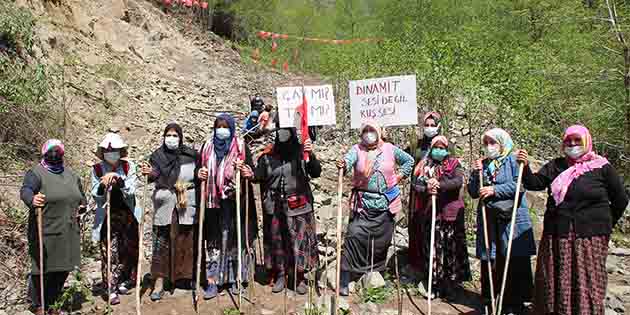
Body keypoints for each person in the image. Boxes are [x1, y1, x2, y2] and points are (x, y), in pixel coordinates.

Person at [516, 125, 629, 315]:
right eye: (568, 140)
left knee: (587, 280)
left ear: (587, 141)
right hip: (557, 234)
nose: (572, 144)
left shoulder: (602, 167)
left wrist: (605, 224)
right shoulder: (556, 166)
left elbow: (620, 199)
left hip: (590, 236)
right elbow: (534, 183)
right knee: (555, 277)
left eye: (577, 140)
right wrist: (525, 167)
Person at [335, 120, 414, 296]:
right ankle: (345, 276)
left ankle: (374, 274)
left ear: (378, 132)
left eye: (372, 130)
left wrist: (399, 176)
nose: (369, 133)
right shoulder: (357, 149)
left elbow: (409, 161)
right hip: (363, 203)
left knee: (380, 241)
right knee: (354, 235)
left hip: (386, 203)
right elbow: (349, 160)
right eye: (366, 130)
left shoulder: (390, 149)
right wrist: (344, 165)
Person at [467, 128, 536, 315]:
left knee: (512, 258)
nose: (489, 147)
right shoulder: (483, 164)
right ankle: (491, 298)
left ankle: (515, 303)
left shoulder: (514, 160)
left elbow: (520, 185)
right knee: (491, 256)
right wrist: (475, 174)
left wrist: (494, 190)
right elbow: (473, 192)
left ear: (502, 143)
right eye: (486, 143)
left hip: (511, 218)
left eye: (493, 143)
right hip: (489, 219)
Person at [253, 117, 320, 295]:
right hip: (274, 207)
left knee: (298, 242)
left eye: (287, 130)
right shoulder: (267, 156)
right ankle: (281, 274)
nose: (283, 134)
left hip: (299, 206)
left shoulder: (301, 154)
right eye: (280, 130)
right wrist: (246, 171)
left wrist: (310, 155)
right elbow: (257, 176)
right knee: (277, 241)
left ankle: (298, 277)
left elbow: (316, 172)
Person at [20, 139, 87, 315]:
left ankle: (52, 303)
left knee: (63, 266)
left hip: (68, 229)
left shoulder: (71, 175)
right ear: (44, 153)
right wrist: (32, 200)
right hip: (46, 228)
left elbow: (81, 196)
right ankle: (37, 304)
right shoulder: (36, 173)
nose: (54, 153)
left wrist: (82, 206)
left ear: (63, 153)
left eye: (58, 151)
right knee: (42, 267)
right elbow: (26, 190)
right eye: (51, 150)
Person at [195, 113, 258, 298]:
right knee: (214, 242)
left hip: (235, 202)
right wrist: (199, 174)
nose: (222, 130)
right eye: (218, 126)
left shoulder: (241, 147)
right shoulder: (207, 147)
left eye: (225, 127)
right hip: (213, 204)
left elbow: (251, 171)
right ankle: (213, 281)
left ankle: (235, 279)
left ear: (231, 129)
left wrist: (246, 172)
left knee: (235, 241)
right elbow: (197, 170)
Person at [141, 123, 198, 301]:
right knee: (161, 241)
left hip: (185, 204)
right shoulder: (157, 156)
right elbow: (153, 174)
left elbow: (199, 175)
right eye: (168, 135)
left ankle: (183, 278)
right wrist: (149, 173)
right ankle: (159, 282)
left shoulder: (191, 155)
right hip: (164, 204)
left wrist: (201, 174)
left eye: (175, 135)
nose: (171, 138)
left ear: (180, 137)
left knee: (185, 239)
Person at [411, 135, 471, 300]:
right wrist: (427, 189)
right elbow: (416, 184)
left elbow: (458, 181)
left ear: (446, 149)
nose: (439, 150)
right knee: (434, 247)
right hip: (432, 211)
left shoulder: (453, 164)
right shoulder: (425, 164)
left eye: (442, 147)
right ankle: (434, 283)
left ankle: (450, 285)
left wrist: (440, 184)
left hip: (450, 213)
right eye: (436, 147)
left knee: (450, 248)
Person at [91, 133, 141, 305]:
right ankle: (110, 287)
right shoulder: (97, 169)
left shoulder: (128, 167)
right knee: (109, 251)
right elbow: (95, 196)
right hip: (107, 216)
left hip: (127, 214)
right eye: (107, 150)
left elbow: (132, 190)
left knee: (129, 248)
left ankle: (126, 279)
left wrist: (119, 180)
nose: (111, 153)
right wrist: (103, 185)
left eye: (114, 150)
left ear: (121, 152)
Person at [407, 111, 442, 281]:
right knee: (415, 224)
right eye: (426, 125)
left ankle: (432, 269)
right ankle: (415, 264)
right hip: (417, 191)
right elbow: (404, 157)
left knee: (431, 227)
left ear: (439, 126)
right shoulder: (417, 145)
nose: (429, 128)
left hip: (435, 193)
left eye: (432, 125)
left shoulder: (444, 145)